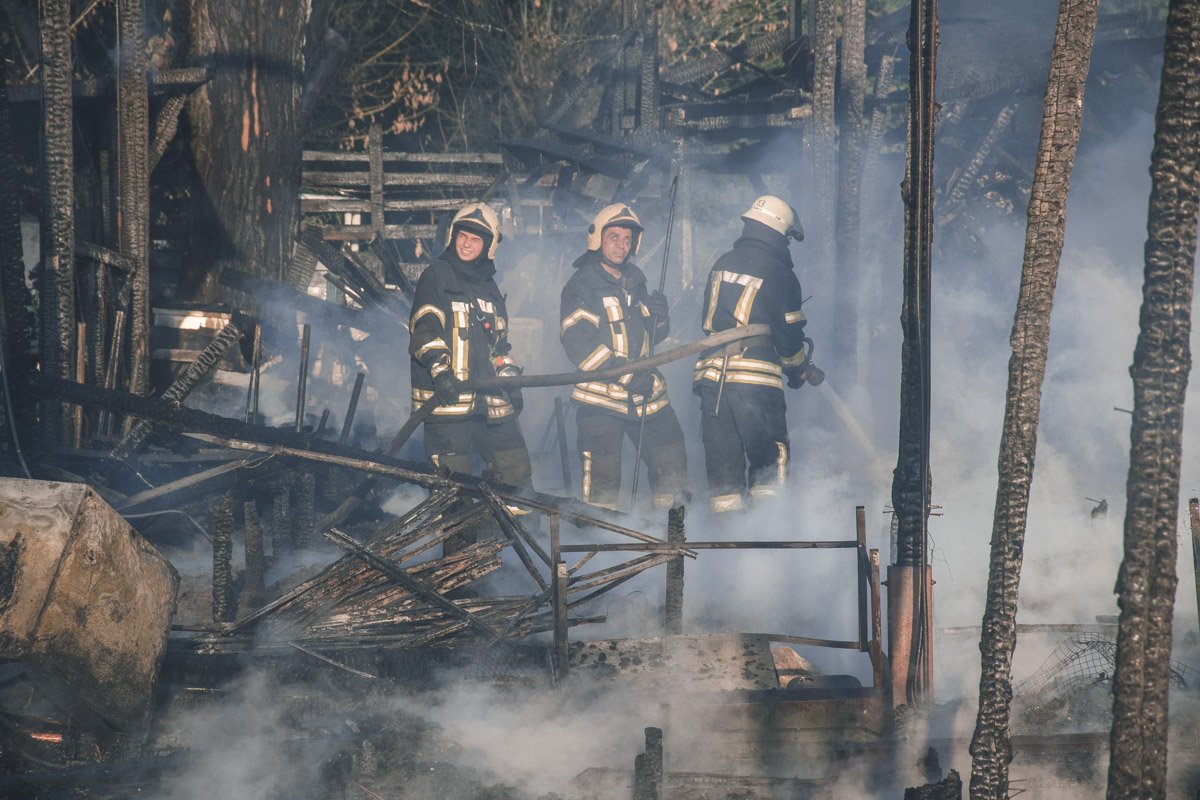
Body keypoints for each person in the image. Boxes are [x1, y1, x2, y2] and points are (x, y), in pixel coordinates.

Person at [692, 195, 820, 513]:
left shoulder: (722, 262)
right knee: (769, 465)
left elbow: (707, 320)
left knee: (724, 477)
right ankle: (767, 536)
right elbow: (789, 341)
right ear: (779, 233)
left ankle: (728, 544)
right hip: (755, 381)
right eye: (788, 238)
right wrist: (798, 368)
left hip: (712, 381)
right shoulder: (780, 272)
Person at [559, 203, 687, 511]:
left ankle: (668, 538)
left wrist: (661, 319)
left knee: (672, 465)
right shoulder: (581, 284)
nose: (621, 244)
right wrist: (628, 374)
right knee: (602, 490)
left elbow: (650, 337)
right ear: (598, 240)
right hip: (600, 400)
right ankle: (598, 549)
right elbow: (577, 343)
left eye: (627, 238)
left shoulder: (636, 282)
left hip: (647, 396)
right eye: (614, 236)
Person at [409, 203, 533, 496]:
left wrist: (510, 377)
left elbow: (499, 345)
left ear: (488, 246)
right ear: (453, 236)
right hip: (447, 403)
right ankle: (459, 542)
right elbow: (425, 332)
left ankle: (524, 537)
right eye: (463, 235)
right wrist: (441, 374)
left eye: (476, 239)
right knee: (453, 488)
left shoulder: (490, 288)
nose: (467, 243)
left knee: (516, 472)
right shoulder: (436, 276)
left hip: (490, 401)